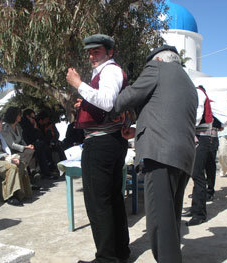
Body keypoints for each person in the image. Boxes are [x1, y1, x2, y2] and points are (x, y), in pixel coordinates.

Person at [112, 45, 198, 263]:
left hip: (161, 155)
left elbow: (124, 100)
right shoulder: (188, 82)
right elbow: (166, 113)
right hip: (183, 157)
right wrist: (139, 129)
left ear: (157, 60)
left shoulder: (156, 69)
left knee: (159, 222)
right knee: (171, 217)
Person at [66, 34, 130, 263]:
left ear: (109, 52)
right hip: (110, 141)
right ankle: (120, 253)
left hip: (101, 143)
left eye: (97, 51)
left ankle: (106, 258)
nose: (92, 55)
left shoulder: (110, 70)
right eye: (90, 52)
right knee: (112, 199)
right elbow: (104, 102)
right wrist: (85, 103)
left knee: (98, 202)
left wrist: (78, 84)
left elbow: (107, 102)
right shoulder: (105, 72)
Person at [184, 85, 213, 226]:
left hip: (200, 137)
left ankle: (199, 214)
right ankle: (195, 208)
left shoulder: (198, 92)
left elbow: (196, 116)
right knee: (193, 174)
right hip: (194, 135)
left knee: (197, 174)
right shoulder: (193, 91)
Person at [1, 107, 38, 182]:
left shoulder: (18, 126)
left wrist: (28, 146)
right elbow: (12, 144)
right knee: (28, 153)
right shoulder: (6, 128)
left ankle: (31, 172)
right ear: (14, 116)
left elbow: (21, 140)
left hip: (20, 149)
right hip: (11, 151)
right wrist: (25, 147)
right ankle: (30, 173)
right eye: (19, 115)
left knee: (32, 150)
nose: (20, 117)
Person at [20, 109, 58, 179]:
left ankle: (47, 169)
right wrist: (35, 127)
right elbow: (32, 136)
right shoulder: (25, 125)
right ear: (27, 117)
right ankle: (46, 171)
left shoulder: (31, 124)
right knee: (41, 146)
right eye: (33, 118)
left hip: (33, 144)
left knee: (43, 145)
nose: (34, 120)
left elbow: (40, 136)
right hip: (27, 145)